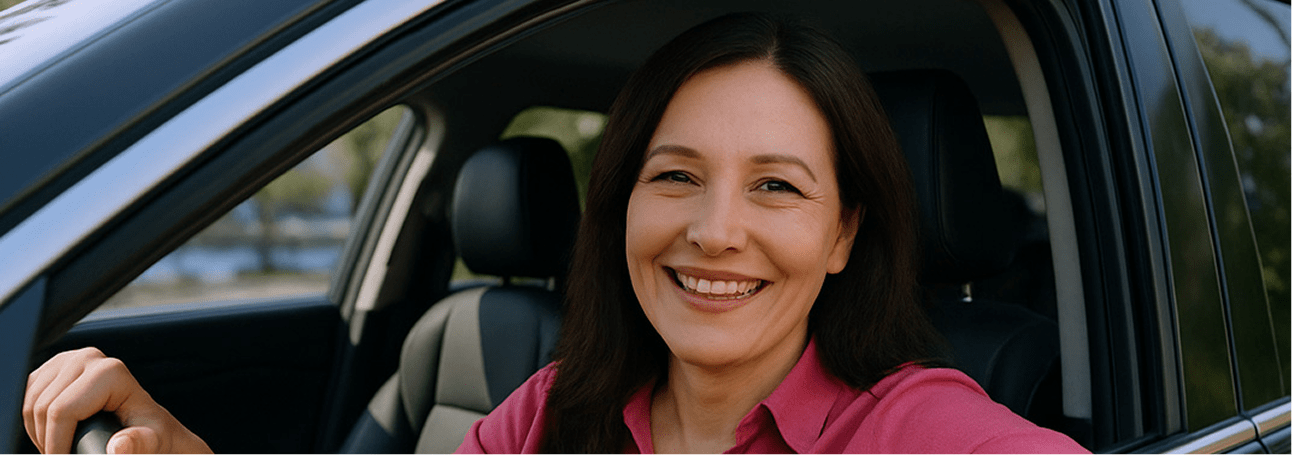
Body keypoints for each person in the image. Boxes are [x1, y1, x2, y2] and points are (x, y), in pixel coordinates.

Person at [23, 12, 1088, 455]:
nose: (715, 231)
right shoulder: (552, 407)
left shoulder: (914, 424)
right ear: (620, 202)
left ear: (844, 235)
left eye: (775, 187)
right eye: (674, 175)